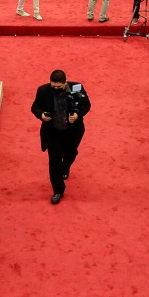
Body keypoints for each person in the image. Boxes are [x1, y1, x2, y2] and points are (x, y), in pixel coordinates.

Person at [31, 69, 91, 204]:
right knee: (54, 162)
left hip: (72, 132)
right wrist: (41, 115)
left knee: (71, 154)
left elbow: (86, 105)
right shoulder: (43, 90)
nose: (56, 89)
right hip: (53, 133)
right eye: (54, 86)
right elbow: (35, 106)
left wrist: (77, 115)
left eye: (59, 87)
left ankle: (66, 167)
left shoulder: (77, 88)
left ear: (65, 83)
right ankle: (58, 190)